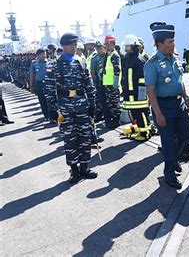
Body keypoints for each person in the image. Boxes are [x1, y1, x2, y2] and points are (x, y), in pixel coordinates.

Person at [144, 23, 189, 189]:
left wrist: (186, 98)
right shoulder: (152, 63)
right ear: (159, 44)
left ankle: (174, 160)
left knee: (185, 135)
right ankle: (169, 173)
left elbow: (180, 81)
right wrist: (157, 114)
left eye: (173, 42)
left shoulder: (175, 59)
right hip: (163, 106)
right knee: (168, 142)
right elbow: (150, 91)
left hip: (179, 104)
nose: (173, 45)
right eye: (169, 42)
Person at [49, 33, 97, 183]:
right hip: (65, 107)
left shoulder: (81, 62)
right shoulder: (55, 64)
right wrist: (52, 108)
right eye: (72, 45)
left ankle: (84, 167)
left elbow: (88, 84)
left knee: (85, 136)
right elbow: (49, 88)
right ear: (64, 46)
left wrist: (92, 105)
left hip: (82, 105)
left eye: (76, 45)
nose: (75, 48)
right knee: (69, 139)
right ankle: (74, 170)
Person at [121, 34, 151, 141]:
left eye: (127, 46)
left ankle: (145, 133)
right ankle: (140, 130)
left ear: (133, 46)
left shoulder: (139, 59)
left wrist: (141, 94)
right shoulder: (129, 58)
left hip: (137, 94)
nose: (125, 48)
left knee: (141, 113)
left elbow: (143, 79)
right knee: (135, 113)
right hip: (131, 93)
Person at [102, 35, 122, 129]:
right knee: (110, 103)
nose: (105, 46)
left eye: (107, 44)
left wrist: (115, 83)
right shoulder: (108, 55)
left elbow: (117, 70)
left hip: (112, 84)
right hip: (107, 83)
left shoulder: (114, 55)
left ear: (112, 44)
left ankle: (116, 120)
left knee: (114, 103)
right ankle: (112, 120)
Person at [29, 49, 50, 121]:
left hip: (49, 83)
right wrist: (31, 86)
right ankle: (46, 115)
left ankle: (52, 115)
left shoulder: (49, 62)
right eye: (41, 54)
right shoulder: (34, 63)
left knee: (50, 100)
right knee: (42, 100)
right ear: (37, 55)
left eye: (44, 54)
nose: (44, 55)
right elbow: (32, 75)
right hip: (39, 83)